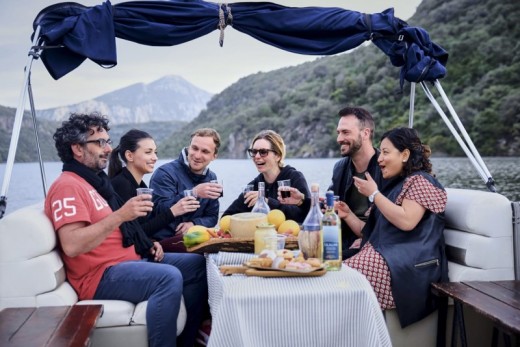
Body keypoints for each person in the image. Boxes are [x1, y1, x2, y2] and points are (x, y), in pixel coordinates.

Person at [44, 113, 208, 347]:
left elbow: (124, 230)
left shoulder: (95, 183)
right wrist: (121, 214)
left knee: (198, 265)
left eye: (108, 141)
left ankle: (186, 342)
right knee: (167, 277)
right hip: (100, 275)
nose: (108, 148)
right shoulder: (67, 186)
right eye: (100, 142)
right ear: (77, 149)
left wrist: (148, 243)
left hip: (128, 261)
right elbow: (72, 245)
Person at [338, 127, 448, 328]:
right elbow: (372, 233)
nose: (379, 159)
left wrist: (374, 194)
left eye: (386, 153)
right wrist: (347, 215)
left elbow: (407, 221)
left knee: (341, 279)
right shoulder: (395, 186)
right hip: (387, 255)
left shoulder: (422, 181)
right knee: (327, 267)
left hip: (410, 265)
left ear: (405, 154)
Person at [282, 106, 386, 258]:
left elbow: (389, 222)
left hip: (374, 243)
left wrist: (364, 240)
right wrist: (302, 201)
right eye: (338, 133)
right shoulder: (340, 168)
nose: (339, 139)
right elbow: (330, 208)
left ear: (365, 133)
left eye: (345, 132)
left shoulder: (385, 167)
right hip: (341, 240)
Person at [108, 129, 200, 251]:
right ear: (129, 155)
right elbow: (134, 232)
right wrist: (173, 211)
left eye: (155, 152)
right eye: (148, 152)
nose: (155, 158)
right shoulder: (121, 185)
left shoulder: (140, 185)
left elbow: (143, 226)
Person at [149, 128, 222, 252]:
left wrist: (193, 224)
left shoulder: (212, 178)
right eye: (194, 148)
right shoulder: (165, 173)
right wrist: (194, 192)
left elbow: (212, 216)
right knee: (203, 260)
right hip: (162, 243)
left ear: (214, 156)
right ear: (188, 147)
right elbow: (159, 211)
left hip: (192, 240)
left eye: (205, 151)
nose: (197, 155)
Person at [222, 130, 310, 222]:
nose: (257, 156)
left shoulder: (293, 178)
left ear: (278, 156)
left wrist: (266, 202)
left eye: (263, 152)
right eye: (254, 152)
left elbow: (304, 213)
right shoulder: (255, 185)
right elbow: (227, 216)